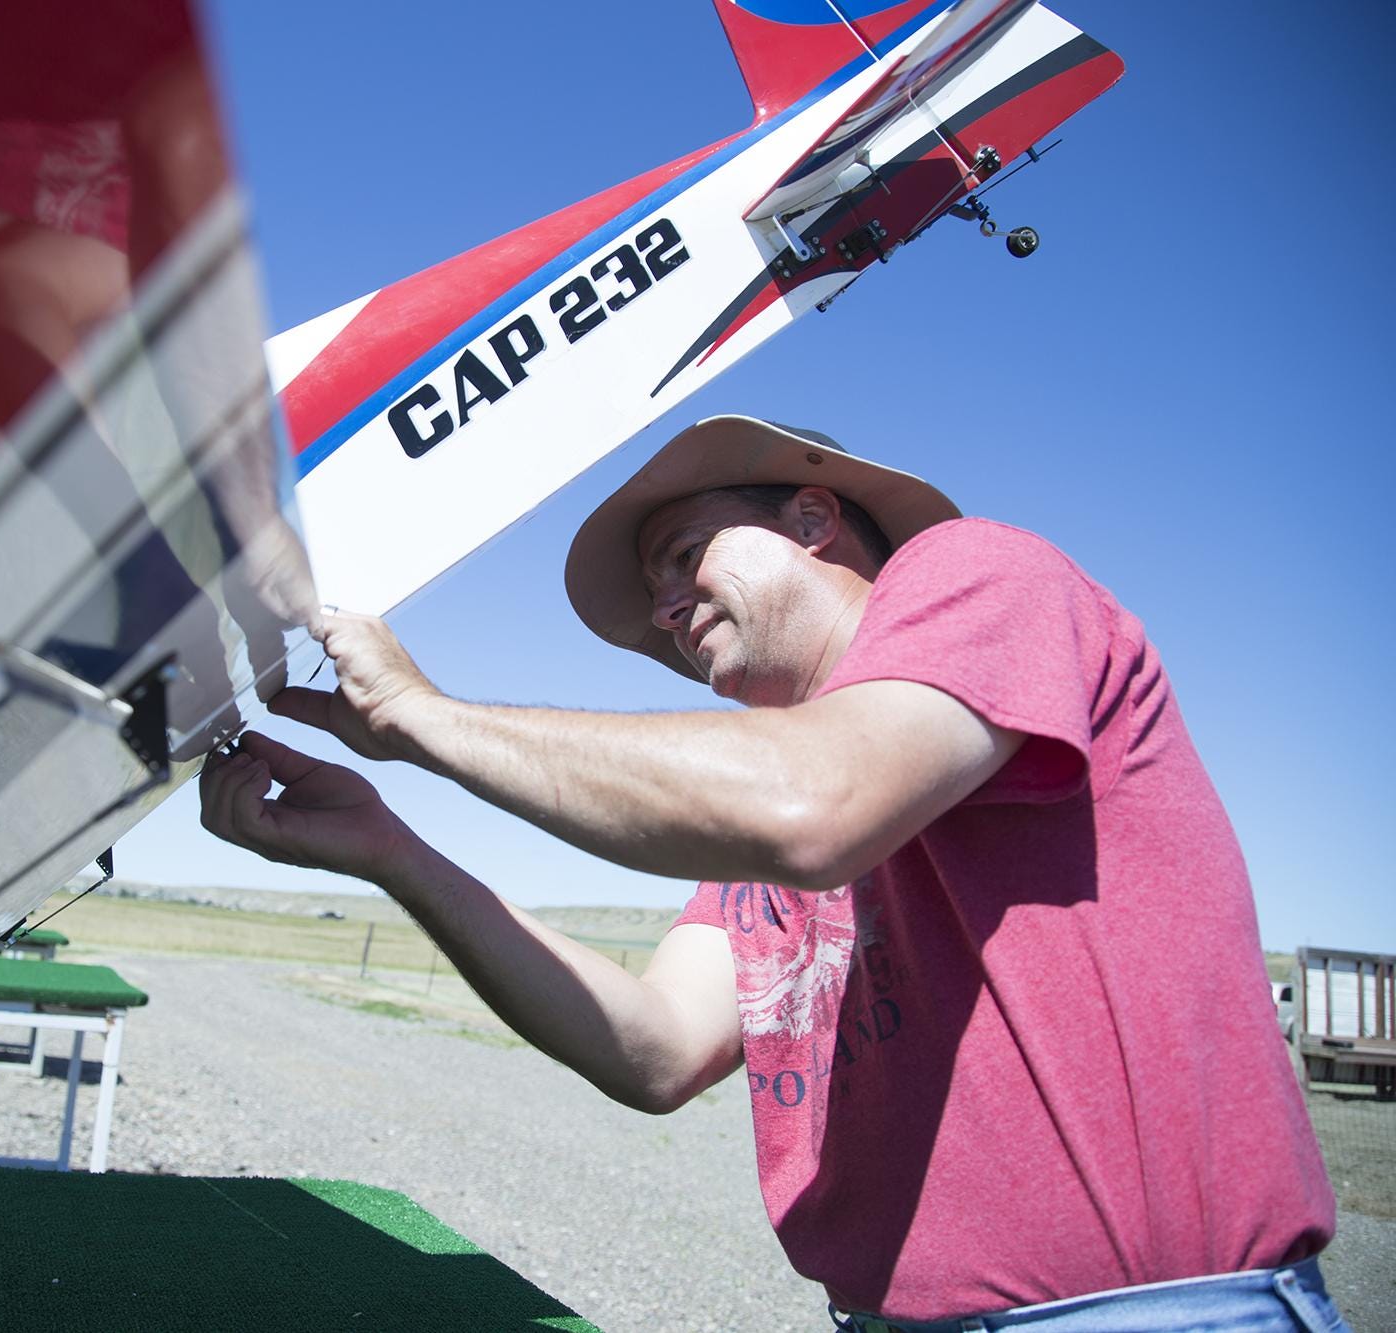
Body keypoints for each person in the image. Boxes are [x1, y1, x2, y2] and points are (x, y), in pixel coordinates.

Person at [198, 416, 1345, 1332]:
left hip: (1142, 1316)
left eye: (685, 554)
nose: (664, 605)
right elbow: (650, 1048)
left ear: (812, 519)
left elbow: (808, 806)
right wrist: (388, 846)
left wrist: (414, 714)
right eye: (659, 588)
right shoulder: (779, 817)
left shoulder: (976, 572)